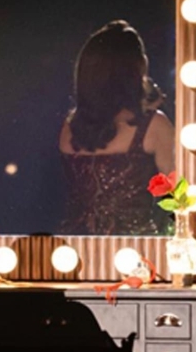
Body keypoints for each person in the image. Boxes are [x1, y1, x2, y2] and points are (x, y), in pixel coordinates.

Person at [57, 20, 175, 236]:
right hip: (138, 249)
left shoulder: (69, 128)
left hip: (76, 247)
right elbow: (183, 200)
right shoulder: (154, 127)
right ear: (138, 70)